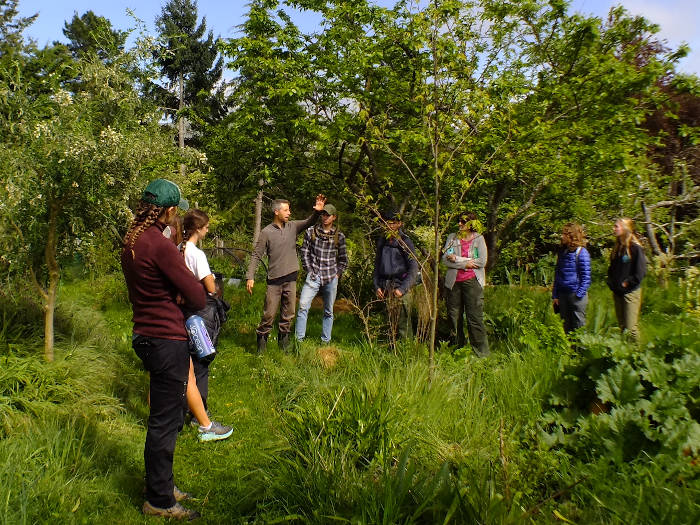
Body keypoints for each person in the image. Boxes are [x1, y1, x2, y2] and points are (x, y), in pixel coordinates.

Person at [121, 178, 203, 520]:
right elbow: (198, 295)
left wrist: (171, 292)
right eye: (174, 212)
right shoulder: (160, 244)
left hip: (144, 333)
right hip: (167, 339)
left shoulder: (132, 240)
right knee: (166, 423)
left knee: (161, 419)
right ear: (168, 211)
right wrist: (180, 294)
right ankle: (159, 501)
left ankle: (161, 484)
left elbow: (150, 287)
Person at [246, 195, 327, 353]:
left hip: (291, 278)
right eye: (286, 210)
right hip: (274, 281)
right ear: (276, 212)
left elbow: (309, 221)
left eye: (289, 210)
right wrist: (250, 276)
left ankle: (284, 346)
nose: (289, 213)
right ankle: (261, 347)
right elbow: (256, 255)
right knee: (268, 315)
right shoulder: (266, 233)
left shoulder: (293, 227)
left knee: (288, 314)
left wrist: (318, 212)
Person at [180, 209, 233, 442]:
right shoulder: (197, 255)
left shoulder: (178, 250)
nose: (208, 230)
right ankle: (198, 413)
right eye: (207, 226)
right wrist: (214, 288)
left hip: (182, 310)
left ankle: (185, 408)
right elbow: (210, 285)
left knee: (187, 361)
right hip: (201, 311)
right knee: (202, 360)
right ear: (198, 229)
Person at [295, 203, 348, 343]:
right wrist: (309, 269)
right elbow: (304, 251)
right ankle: (298, 340)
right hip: (314, 275)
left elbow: (343, 259)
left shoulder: (339, 236)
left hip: (331, 277)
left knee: (328, 311)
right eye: (323, 214)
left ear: (334, 217)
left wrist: (337, 274)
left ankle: (325, 341)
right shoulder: (311, 232)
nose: (324, 217)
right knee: (302, 306)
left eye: (327, 215)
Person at [441, 211, 490, 357]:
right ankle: (457, 350)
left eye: (463, 222)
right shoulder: (452, 237)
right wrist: (464, 263)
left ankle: (481, 354)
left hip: (473, 282)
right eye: (459, 221)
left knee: (474, 318)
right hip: (453, 283)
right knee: (454, 317)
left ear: (471, 224)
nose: (460, 224)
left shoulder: (479, 239)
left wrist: (456, 259)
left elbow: (482, 262)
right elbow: (445, 259)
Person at [373, 209, 419, 341]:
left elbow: (414, 267)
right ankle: (392, 355)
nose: (390, 226)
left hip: (400, 288)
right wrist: (376, 286)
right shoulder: (382, 241)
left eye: (393, 223)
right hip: (385, 287)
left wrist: (402, 289)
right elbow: (377, 266)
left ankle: (407, 355)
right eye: (387, 223)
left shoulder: (405, 241)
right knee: (389, 326)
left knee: (403, 327)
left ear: (399, 224)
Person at [607, 218, 647, 342]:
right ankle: (624, 352)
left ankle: (637, 354)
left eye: (616, 226)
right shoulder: (617, 248)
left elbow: (640, 272)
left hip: (630, 293)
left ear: (625, 228)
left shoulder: (635, 248)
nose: (614, 229)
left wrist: (627, 283)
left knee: (631, 328)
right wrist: (611, 282)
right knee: (622, 327)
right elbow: (612, 269)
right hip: (617, 293)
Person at [552, 223, 592, 334]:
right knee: (566, 328)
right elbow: (558, 274)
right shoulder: (563, 253)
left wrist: (578, 295)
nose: (562, 236)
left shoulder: (582, 253)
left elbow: (586, 278)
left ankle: (581, 351)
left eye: (565, 234)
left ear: (572, 236)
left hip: (576, 296)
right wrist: (555, 295)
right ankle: (570, 351)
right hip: (563, 296)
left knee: (579, 328)